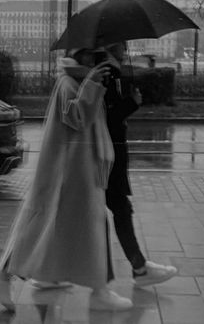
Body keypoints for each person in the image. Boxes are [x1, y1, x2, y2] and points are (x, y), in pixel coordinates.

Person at [0, 48, 133, 312]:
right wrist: (93, 85)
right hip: (70, 171)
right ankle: (99, 291)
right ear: (82, 56)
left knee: (49, 223)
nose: (99, 60)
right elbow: (75, 118)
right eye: (95, 55)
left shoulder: (80, 81)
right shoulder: (69, 82)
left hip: (78, 169)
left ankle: (46, 275)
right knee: (76, 223)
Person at [104, 42, 178, 287]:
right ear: (109, 46)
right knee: (119, 210)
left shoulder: (109, 72)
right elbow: (107, 116)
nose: (124, 49)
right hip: (107, 155)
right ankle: (138, 268)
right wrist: (132, 102)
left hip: (108, 154)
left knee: (118, 209)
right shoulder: (106, 72)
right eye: (120, 45)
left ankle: (139, 267)